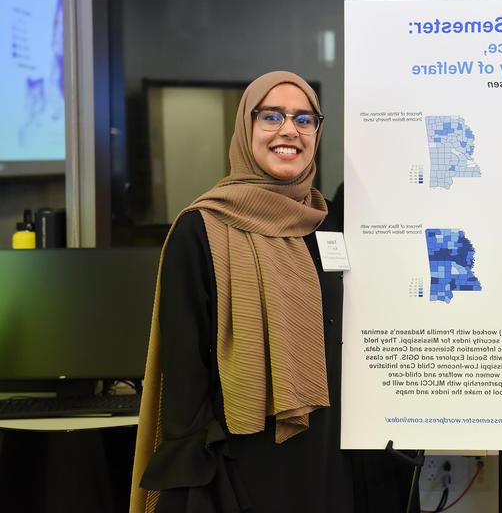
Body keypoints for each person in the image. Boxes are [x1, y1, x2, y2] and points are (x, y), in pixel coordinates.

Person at [130, 71, 355, 513]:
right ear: (246, 127)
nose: (290, 130)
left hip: (325, 456)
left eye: (304, 119)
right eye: (272, 116)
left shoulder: (326, 225)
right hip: (239, 462)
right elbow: (185, 369)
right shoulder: (201, 228)